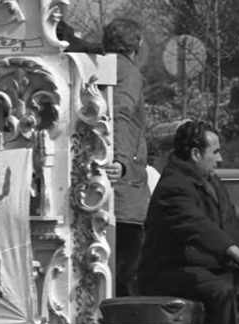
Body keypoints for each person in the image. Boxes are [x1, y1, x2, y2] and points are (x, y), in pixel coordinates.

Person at [139, 120, 239, 324]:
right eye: (216, 152)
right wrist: (231, 251)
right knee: (221, 291)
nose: (220, 159)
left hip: (201, 267)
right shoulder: (173, 186)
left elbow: (230, 224)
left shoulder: (211, 181)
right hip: (168, 273)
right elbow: (195, 224)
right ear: (196, 154)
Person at [103, 18, 149, 298]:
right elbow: (119, 114)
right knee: (126, 275)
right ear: (137, 44)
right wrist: (121, 160)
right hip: (126, 195)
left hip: (117, 192)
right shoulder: (128, 73)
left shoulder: (103, 68)